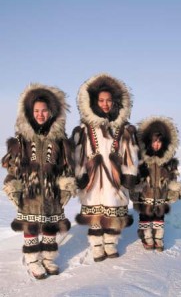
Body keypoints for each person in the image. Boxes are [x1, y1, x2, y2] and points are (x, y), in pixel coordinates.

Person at [1, 83, 76, 279]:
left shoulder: (60, 140)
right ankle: (33, 260)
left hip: (52, 193)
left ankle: (49, 258)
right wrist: (13, 187)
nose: (40, 114)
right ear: (29, 112)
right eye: (36, 111)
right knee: (31, 227)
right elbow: (13, 167)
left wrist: (66, 187)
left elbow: (67, 167)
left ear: (51, 112)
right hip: (30, 193)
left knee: (50, 226)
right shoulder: (21, 140)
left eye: (44, 110)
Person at [71, 73, 139, 262]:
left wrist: (129, 175)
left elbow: (130, 153)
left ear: (115, 101)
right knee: (95, 215)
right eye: (101, 100)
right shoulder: (85, 128)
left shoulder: (124, 128)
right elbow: (79, 154)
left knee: (113, 212)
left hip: (115, 178)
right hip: (93, 178)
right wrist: (80, 174)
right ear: (94, 102)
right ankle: (96, 246)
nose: (105, 104)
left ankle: (110, 243)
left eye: (109, 100)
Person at [130, 116, 181, 251]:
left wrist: (173, 189)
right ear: (149, 142)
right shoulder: (142, 158)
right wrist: (135, 188)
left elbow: (172, 176)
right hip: (145, 192)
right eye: (154, 142)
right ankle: (146, 236)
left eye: (159, 142)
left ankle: (158, 238)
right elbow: (135, 174)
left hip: (161, 193)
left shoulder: (168, 160)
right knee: (145, 215)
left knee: (159, 215)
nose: (157, 145)